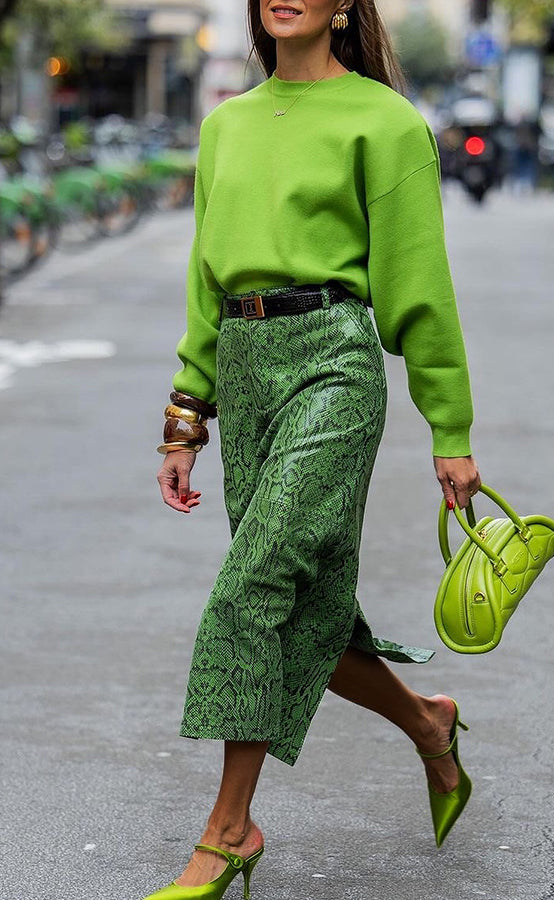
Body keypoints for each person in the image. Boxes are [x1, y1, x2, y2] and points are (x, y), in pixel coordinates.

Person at [149, 2, 481, 898]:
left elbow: (419, 285)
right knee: (302, 608)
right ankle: (429, 724)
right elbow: (202, 282)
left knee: (254, 584)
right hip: (247, 368)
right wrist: (188, 415)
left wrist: (450, 430)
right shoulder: (226, 125)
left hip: (333, 360)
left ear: (344, 6)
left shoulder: (385, 120)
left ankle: (229, 830)